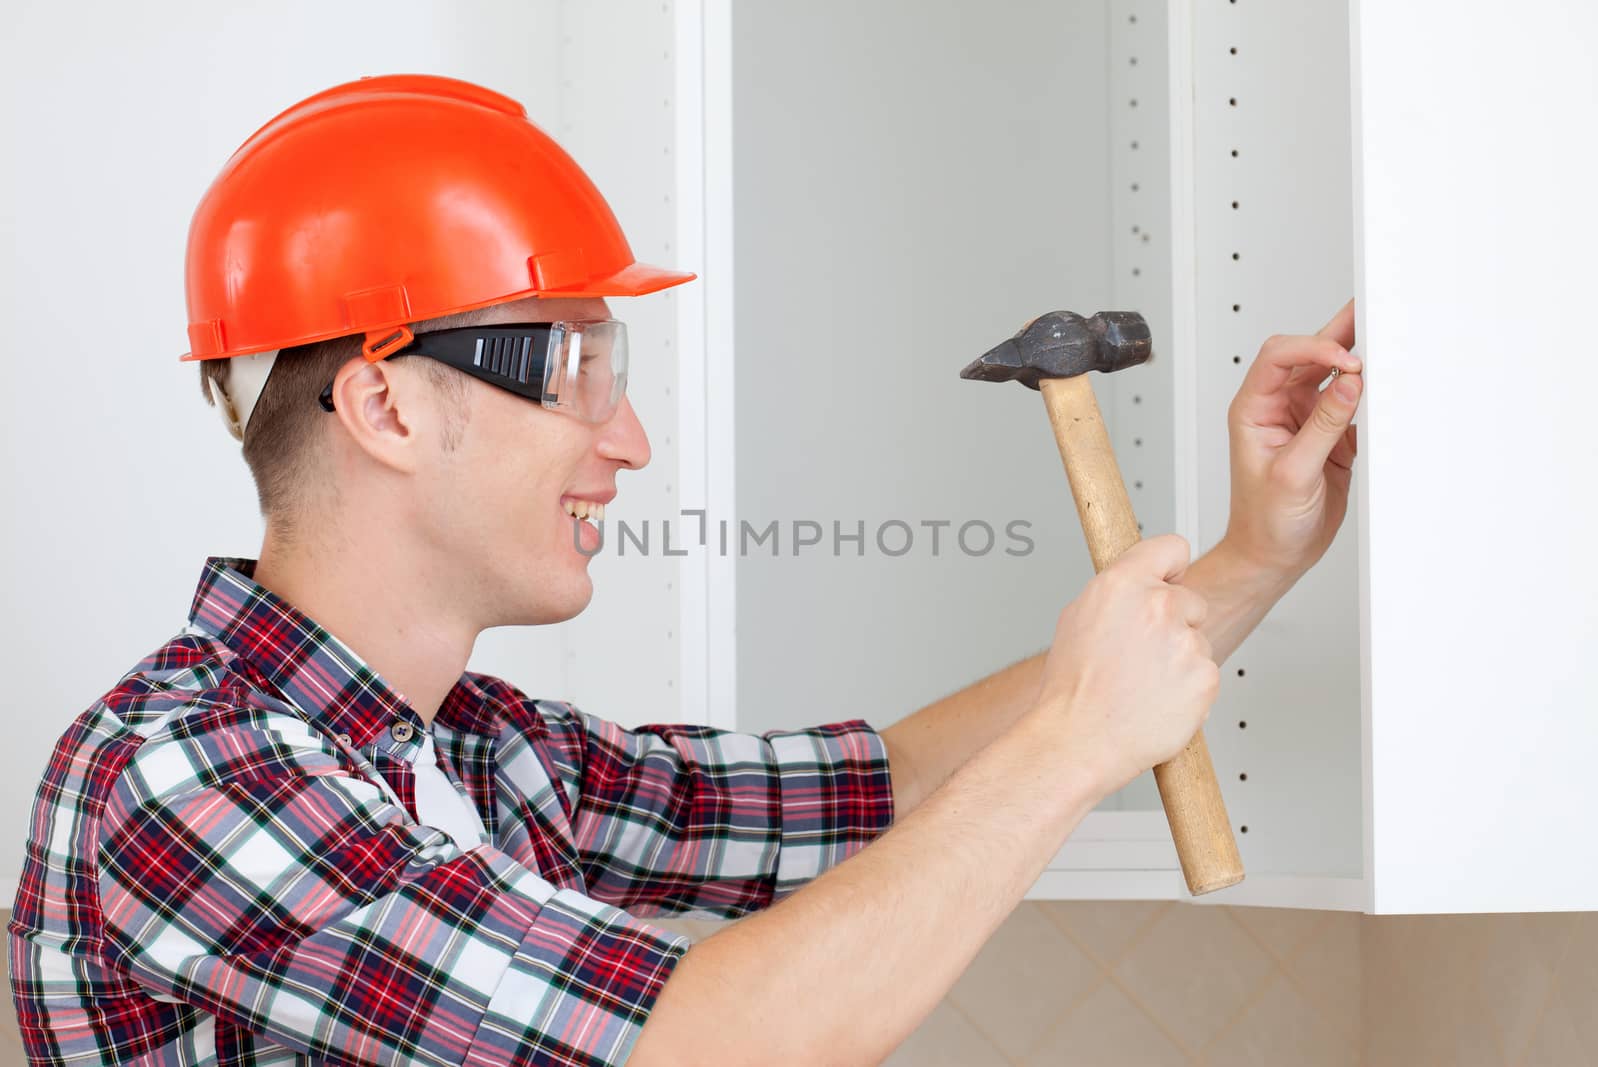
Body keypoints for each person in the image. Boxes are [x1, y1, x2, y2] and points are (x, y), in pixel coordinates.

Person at [7, 74, 1364, 1066]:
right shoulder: (182, 775)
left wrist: (1252, 563)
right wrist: (1073, 746)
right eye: (575, 371)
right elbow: (705, 1046)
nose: (633, 442)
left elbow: (869, 792)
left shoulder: (487, 754)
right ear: (388, 409)